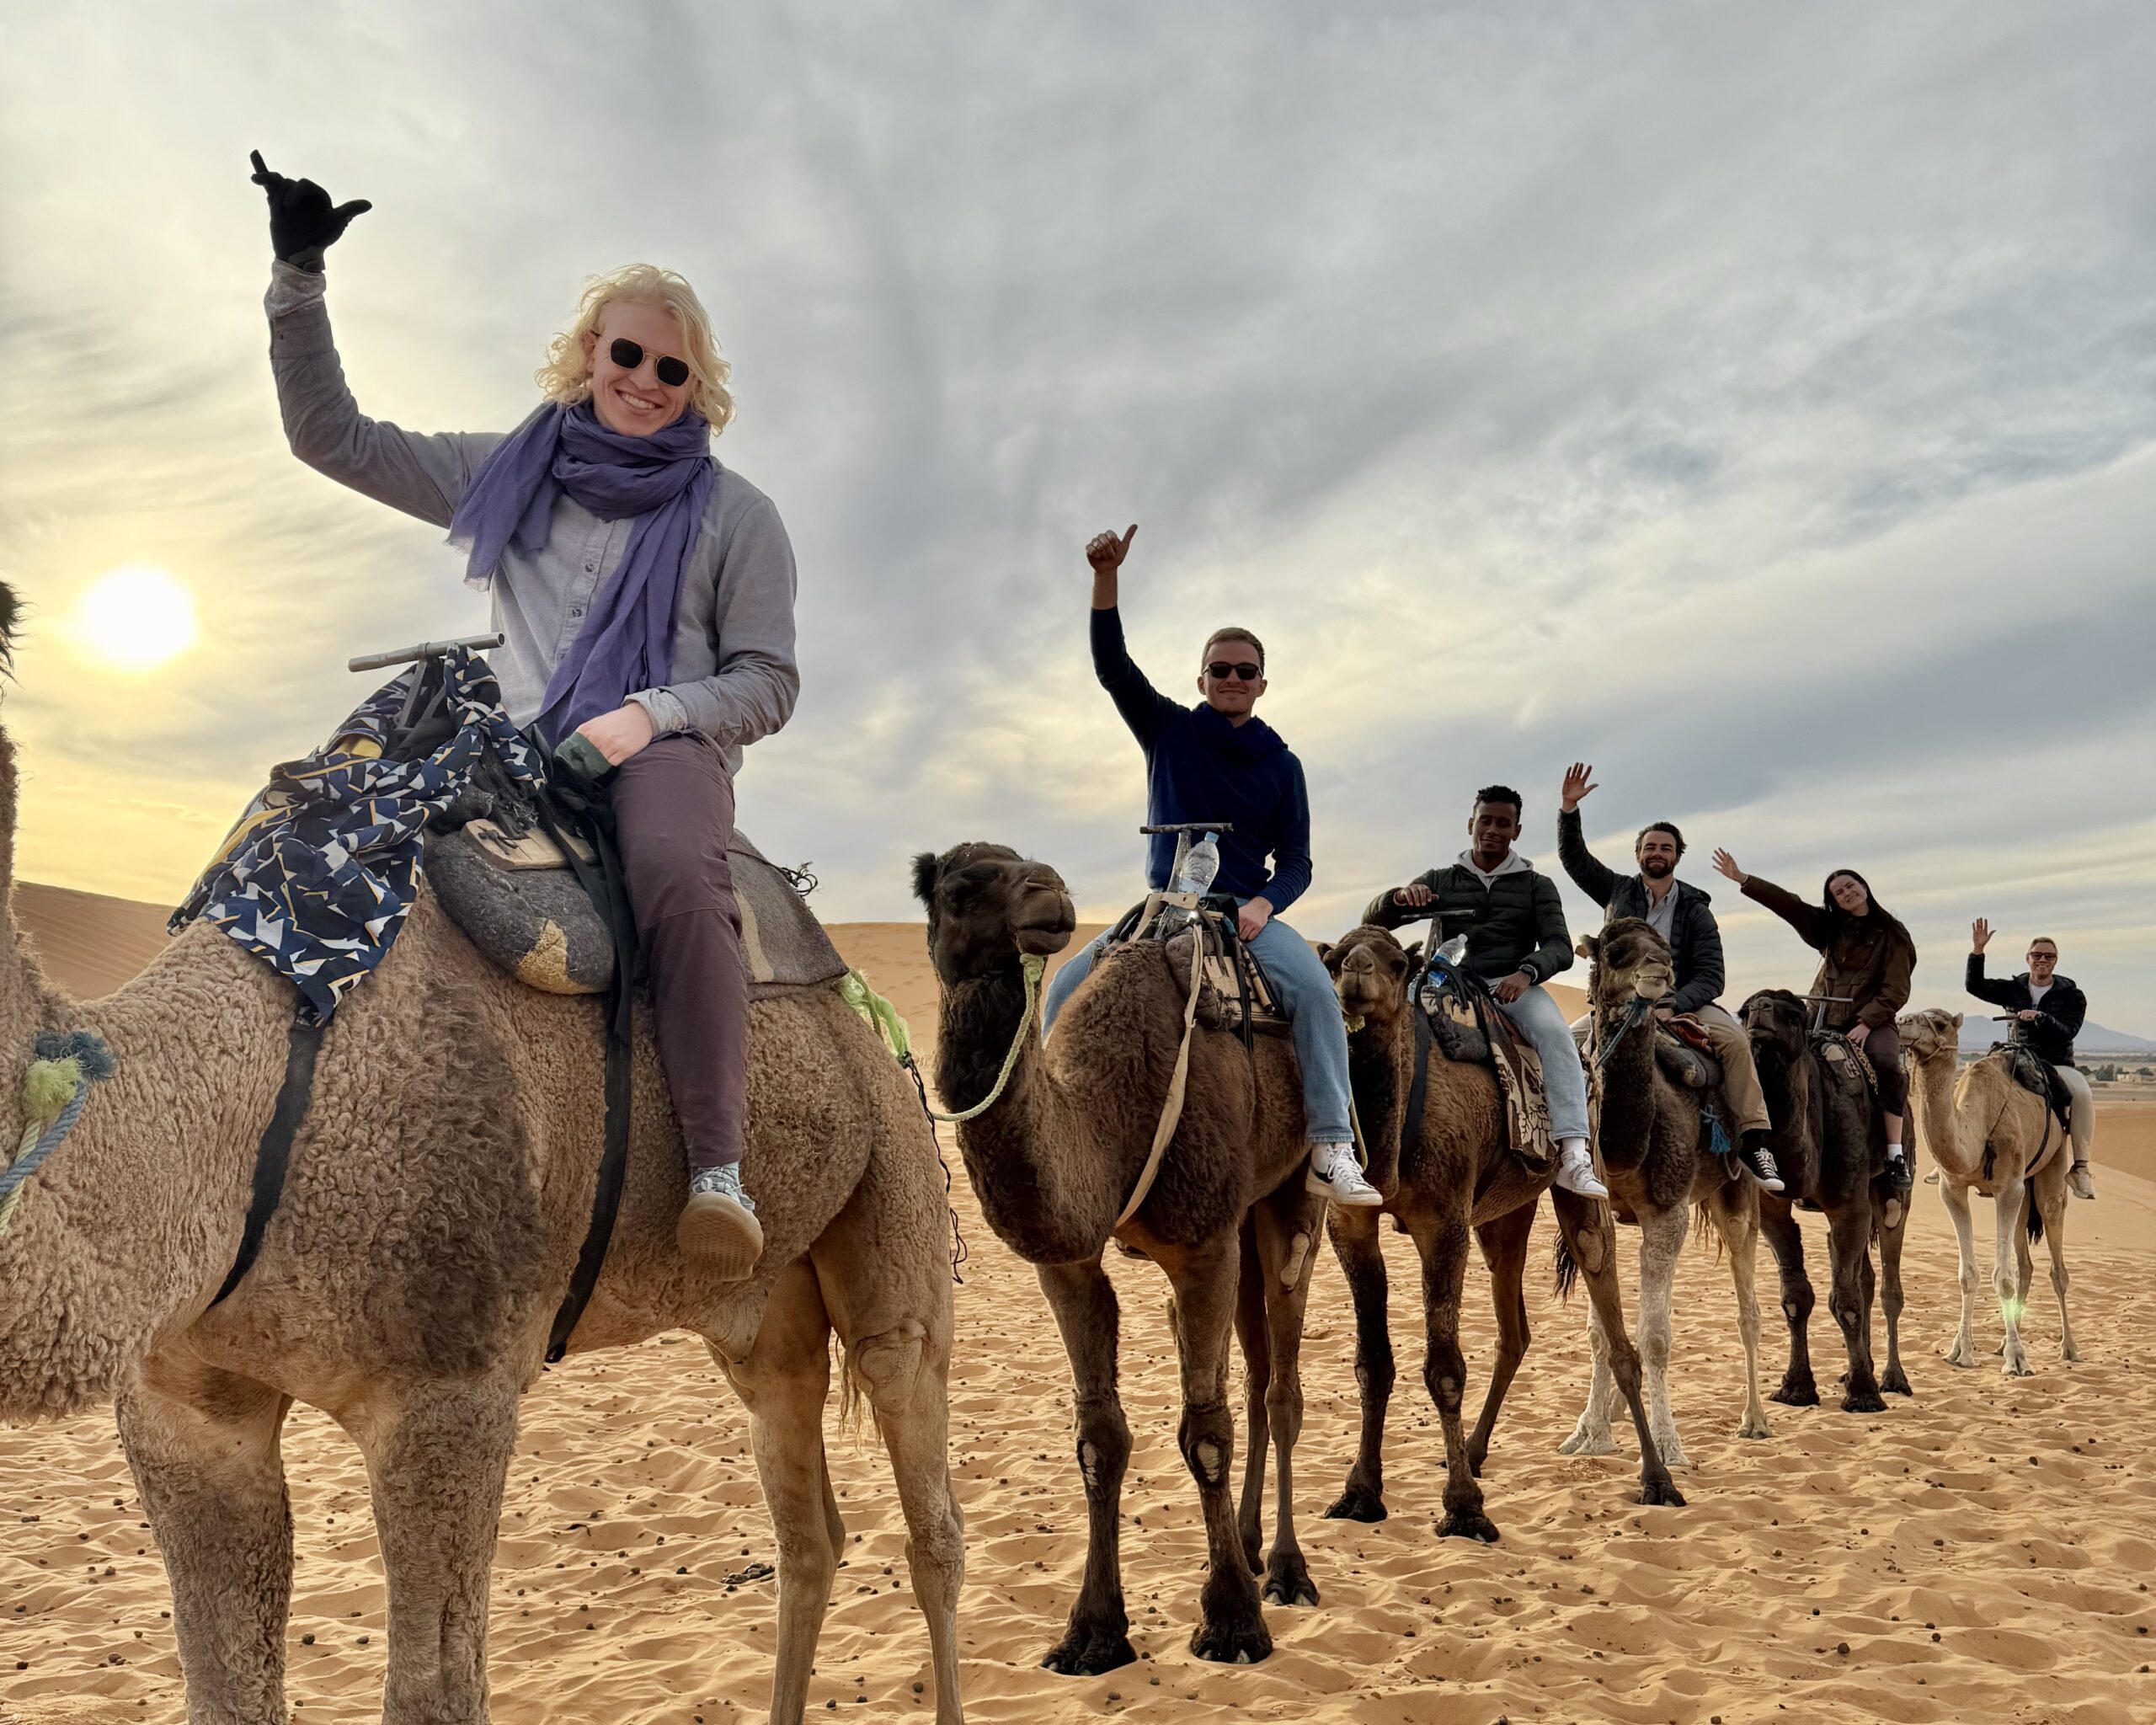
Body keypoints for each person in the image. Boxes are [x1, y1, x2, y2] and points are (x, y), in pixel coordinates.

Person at [248, 152, 798, 1277]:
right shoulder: (513, 469)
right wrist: (298, 280)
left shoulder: (739, 517)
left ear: (700, 388)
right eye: (628, 352)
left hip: (663, 750)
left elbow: (770, 681)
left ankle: (716, 1170)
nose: (646, 380)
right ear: (590, 351)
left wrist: (651, 715)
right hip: (511, 738)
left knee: (677, 877)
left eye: (673, 369)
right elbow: (331, 438)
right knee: (330, 802)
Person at [1043, 524, 1380, 1208]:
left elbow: (1299, 861)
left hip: (1242, 912)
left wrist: (1264, 904)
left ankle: (1330, 1145)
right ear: (1202, 679)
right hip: (1163, 907)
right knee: (1062, 991)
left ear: (1262, 684)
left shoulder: (1283, 766)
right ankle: (1060, 1129)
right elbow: (1113, 668)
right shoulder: (1168, 730)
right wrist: (1106, 580)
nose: (1231, 679)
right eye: (1219, 669)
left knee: (1316, 993)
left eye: (1244, 671)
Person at [1363, 787, 1610, 1199]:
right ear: (1471, 824)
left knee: (1555, 1035)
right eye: (1486, 821)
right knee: (1384, 1030)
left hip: (1510, 986)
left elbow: (1559, 946)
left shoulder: (1536, 885)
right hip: (1443, 981)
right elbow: (1375, 920)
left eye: (1502, 823)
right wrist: (1398, 898)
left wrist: (1527, 972)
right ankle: (1356, 1140)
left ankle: (1573, 1154)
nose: (1492, 830)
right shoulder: (1440, 880)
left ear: (1516, 831)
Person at [1555, 765, 1783, 1193]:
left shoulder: (1696, 910)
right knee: (1565, 1042)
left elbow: (1712, 974)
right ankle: (1565, 1142)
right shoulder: (1617, 891)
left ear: (1677, 856)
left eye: (1666, 847)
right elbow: (1575, 860)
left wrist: (1673, 1004)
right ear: (1638, 853)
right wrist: (1569, 810)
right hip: (1619, 1003)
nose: (1657, 852)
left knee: (1734, 1042)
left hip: (1684, 1001)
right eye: (1649, 846)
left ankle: (1755, 1140)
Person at [1710, 850, 1916, 1195]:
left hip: (1873, 1022)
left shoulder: (1892, 934)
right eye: (1839, 892)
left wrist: (1867, 1022)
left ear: (1863, 887)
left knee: (1886, 1068)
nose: (1847, 893)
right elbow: (1791, 906)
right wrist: (1745, 880)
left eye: (1850, 886)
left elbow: (1896, 989)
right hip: (1821, 1016)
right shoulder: (1830, 929)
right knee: (1770, 1055)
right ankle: (1758, 1143)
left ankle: (1895, 1153)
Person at [1967, 923, 2095, 1199]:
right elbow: (1974, 986)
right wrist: (1978, 951)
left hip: (2055, 1062)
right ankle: (1962, 1157)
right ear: (2028, 958)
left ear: (2056, 961)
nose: (2042, 960)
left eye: (2048, 956)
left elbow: (2069, 1031)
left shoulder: (2073, 995)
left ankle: (2081, 1167)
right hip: (2014, 1055)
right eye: (2037, 955)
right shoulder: (2013, 988)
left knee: (2082, 1093)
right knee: (1973, 1082)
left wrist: (2041, 1018)